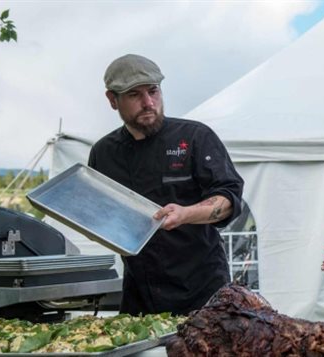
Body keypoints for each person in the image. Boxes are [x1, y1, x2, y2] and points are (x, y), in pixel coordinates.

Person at [89, 54, 244, 316]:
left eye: (153, 91)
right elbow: (99, 214)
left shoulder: (195, 137)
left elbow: (228, 198)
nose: (148, 102)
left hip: (203, 291)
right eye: (134, 94)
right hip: (140, 294)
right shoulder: (103, 153)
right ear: (112, 100)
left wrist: (186, 214)